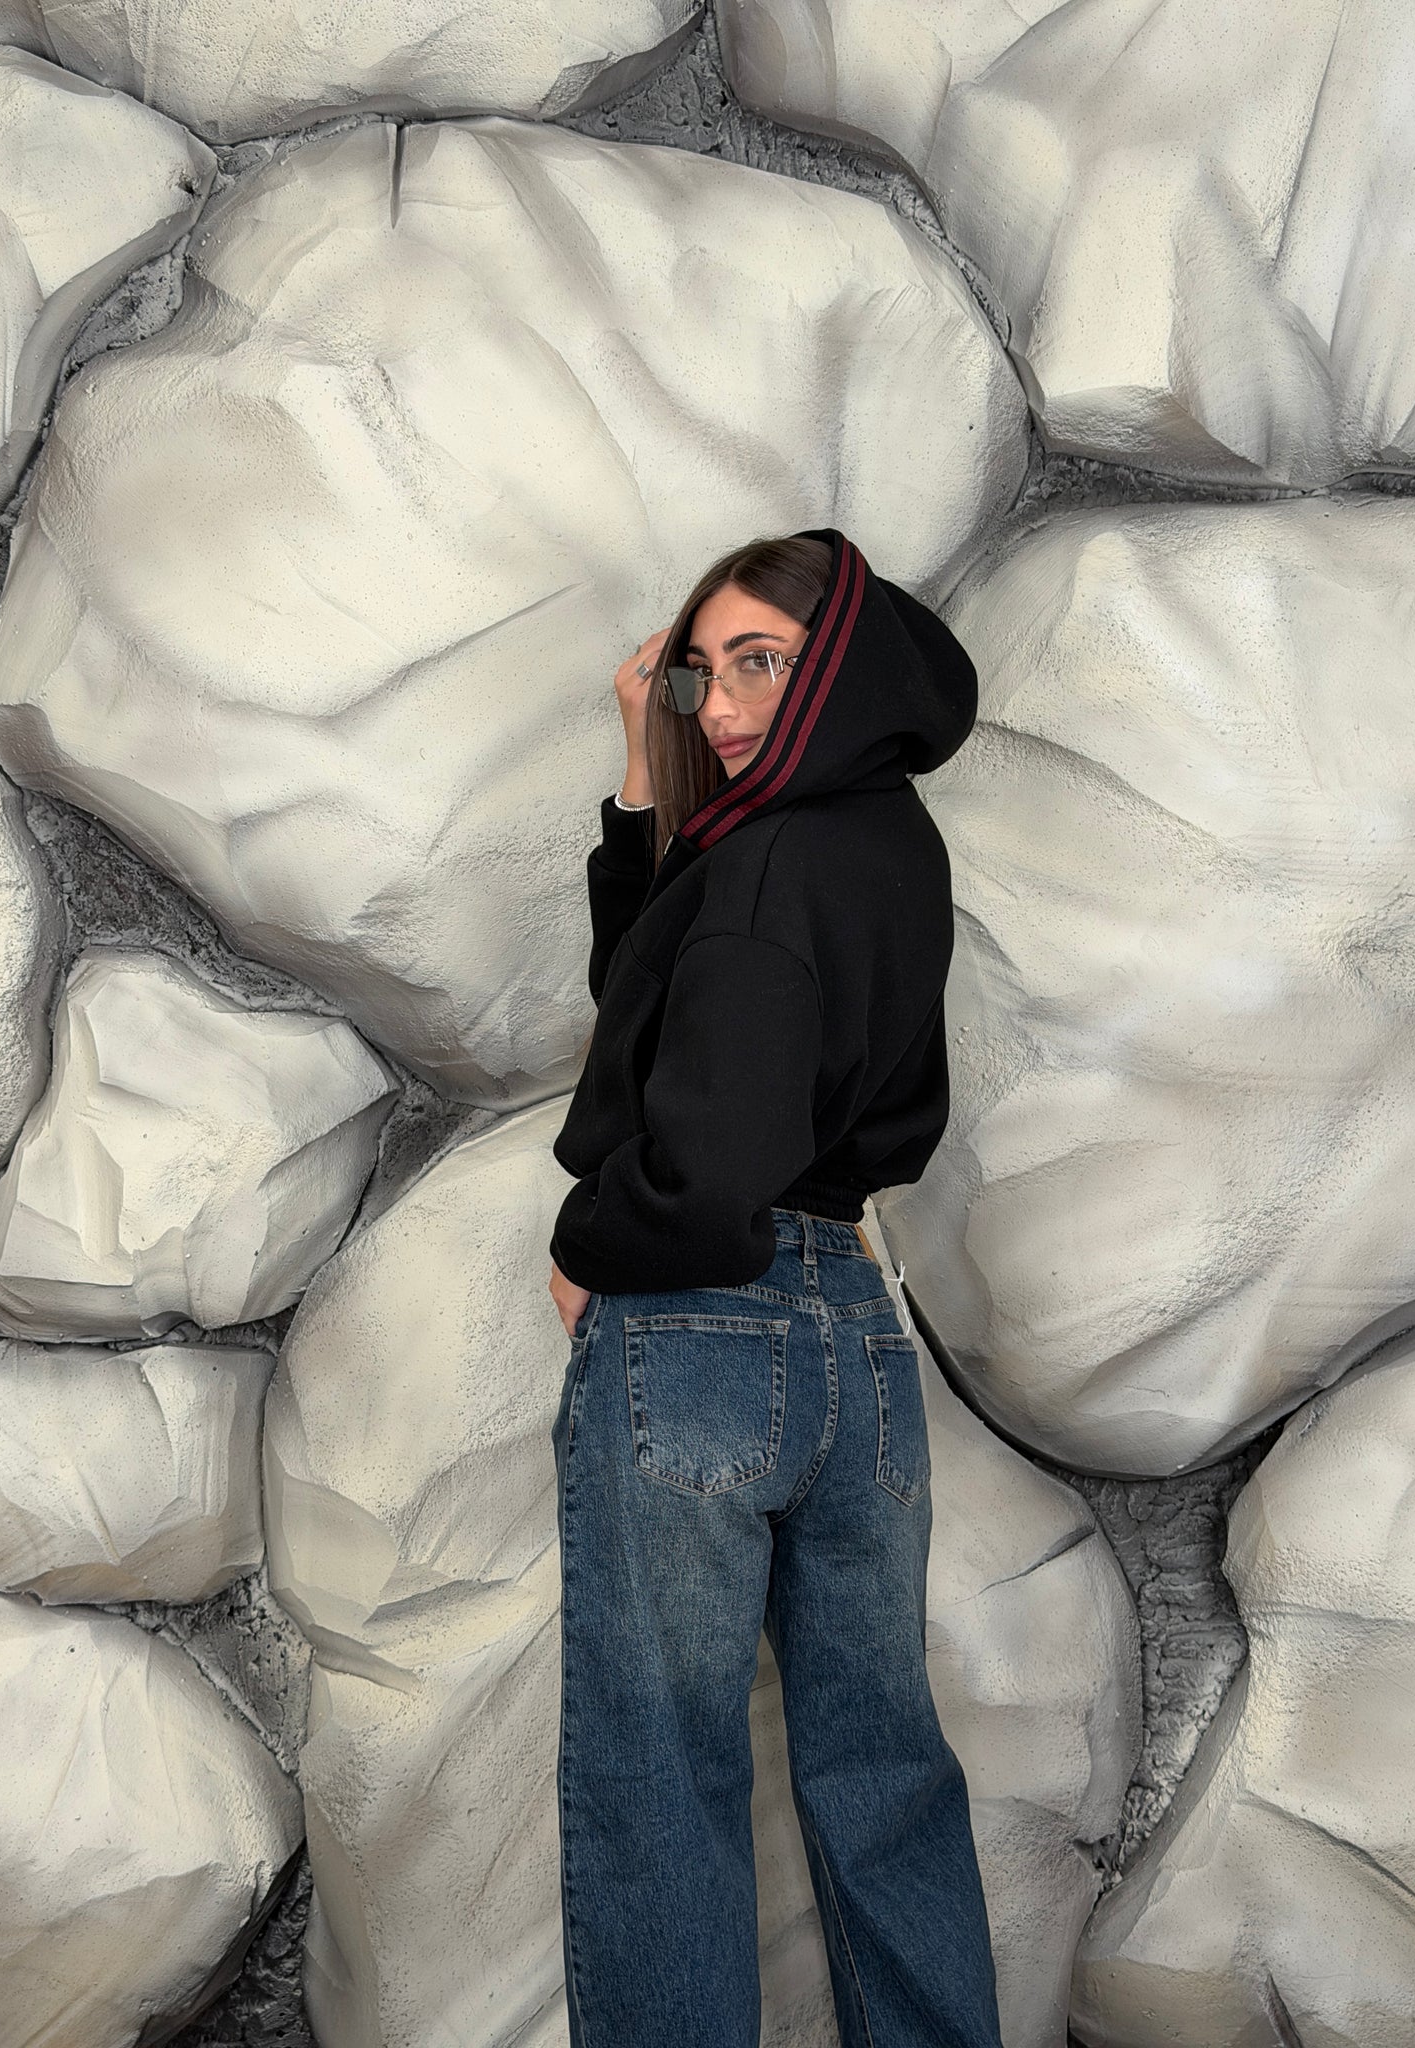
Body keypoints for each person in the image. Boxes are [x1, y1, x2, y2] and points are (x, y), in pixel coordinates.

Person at [546, 528, 1002, 2047]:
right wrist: (644, 770)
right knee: (885, 1774)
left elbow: (703, 1149)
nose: (724, 706)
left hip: (700, 1333)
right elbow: (661, 1004)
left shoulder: (760, 868)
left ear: (842, 660)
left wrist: (594, 1249)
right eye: (702, 672)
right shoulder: (886, 843)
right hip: (854, 1333)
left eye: (761, 663)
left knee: (661, 1781)